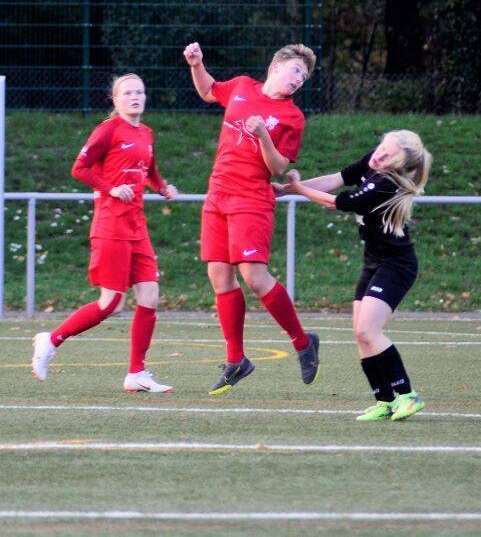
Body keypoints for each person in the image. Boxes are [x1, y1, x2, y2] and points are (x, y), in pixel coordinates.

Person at [182, 41, 320, 395]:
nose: (298, 80)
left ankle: (303, 342)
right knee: (219, 275)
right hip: (218, 194)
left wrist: (262, 136)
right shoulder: (243, 86)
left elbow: (278, 168)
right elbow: (209, 91)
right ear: (276, 65)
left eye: (303, 78)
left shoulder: (292, 117)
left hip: (251, 198)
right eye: (295, 71)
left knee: (255, 277)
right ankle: (236, 360)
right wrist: (197, 64)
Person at [31, 74, 178, 393]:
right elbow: (79, 168)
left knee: (150, 296)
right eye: (128, 93)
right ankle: (51, 340)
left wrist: (163, 187)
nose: (135, 97)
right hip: (111, 226)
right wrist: (111, 188)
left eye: (140, 92)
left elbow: (150, 171)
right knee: (111, 304)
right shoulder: (108, 129)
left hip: (137, 227)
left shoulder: (147, 133)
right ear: (115, 99)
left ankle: (136, 373)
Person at [279, 130, 432, 421]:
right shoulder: (372, 162)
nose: (378, 155)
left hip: (396, 265)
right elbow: (335, 179)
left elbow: (336, 202)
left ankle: (408, 396)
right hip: (373, 262)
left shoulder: (385, 183)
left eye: (387, 156)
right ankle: (385, 401)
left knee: (368, 331)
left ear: (396, 165)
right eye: (381, 147)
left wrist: (298, 189)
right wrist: (288, 189)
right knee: (361, 335)